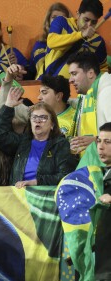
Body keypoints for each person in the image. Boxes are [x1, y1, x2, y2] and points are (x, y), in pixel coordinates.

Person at [0, 88, 77, 187]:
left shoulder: (61, 144)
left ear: (52, 124)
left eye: (43, 118)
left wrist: (36, 182)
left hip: (44, 196)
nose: (38, 121)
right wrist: (8, 106)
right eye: (34, 117)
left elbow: (65, 176)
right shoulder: (23, 142)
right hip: (19, 195)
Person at [45, 0, 107, 79]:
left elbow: (103, 68)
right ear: (78, 14)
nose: (89, 25)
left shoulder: (98, 41)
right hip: (52, 83)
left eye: (94, 22)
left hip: (80, 89)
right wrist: (80, 35)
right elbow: (51, 42)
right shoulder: (61, 22)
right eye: (86, 20)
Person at [67, 51, 111, 154]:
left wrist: (96, 140)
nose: (70, 80)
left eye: (74, 74)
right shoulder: (85, 96)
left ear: (90, 73)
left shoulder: (107, 92)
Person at [27, 2, 71, 80]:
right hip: (40, 86)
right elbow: (31, 71)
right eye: (54, 17)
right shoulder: (39, 44)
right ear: (48, 20)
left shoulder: (73, 44)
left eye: (62, 18)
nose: (58, 21)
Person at [95, 122, 111, 280]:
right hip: (99, 262)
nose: (101, 147)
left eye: (108, 142)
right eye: (99, 141)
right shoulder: (97, 173)